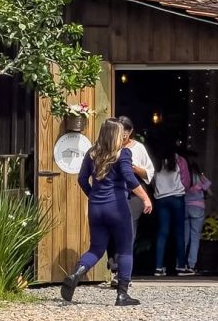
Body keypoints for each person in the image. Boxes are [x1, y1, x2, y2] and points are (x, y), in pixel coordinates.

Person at [60, 118, 152, 306]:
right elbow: (128, 176)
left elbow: (82, 179)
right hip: (117, 207)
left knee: (96, 249)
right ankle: (122, 295)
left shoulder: (92, 153)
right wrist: (145, 197)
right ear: (116, 134)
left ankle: (76, 273)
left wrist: (93, 195)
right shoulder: (123, 153)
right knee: (125, 249)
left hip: (96, 208)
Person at [104, 116, 154, 287]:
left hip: (134, 194)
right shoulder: (110, 146)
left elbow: (149, 172)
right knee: (111, 231)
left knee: (129, 231)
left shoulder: (138, 148)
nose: (124, 134)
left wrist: (135, 169)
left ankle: (122, 274)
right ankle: (114, 268)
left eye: (127, 130)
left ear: (131, 131)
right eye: (121, 130)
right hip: (113, 193)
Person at [153, 136, 192, 276]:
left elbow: (151, 180)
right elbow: (186, 181)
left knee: (162, 233)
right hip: (177, 198)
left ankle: (158, 267)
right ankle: (181, 266)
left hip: (161, 199)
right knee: (179, 233)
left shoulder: (156, 162)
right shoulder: (179, 160)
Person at [184, 159, 211, 273]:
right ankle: (191, 265)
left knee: (184, 237)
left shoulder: (183, 177)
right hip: (198, 208)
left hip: (185, 206)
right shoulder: (200, 177)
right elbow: (209, 191)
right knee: (195, 238)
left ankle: (180, 263)